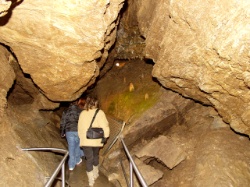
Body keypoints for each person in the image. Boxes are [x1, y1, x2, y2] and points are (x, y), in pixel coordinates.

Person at [78, 96, 110, 187]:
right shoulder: (100, 113)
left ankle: (90, 180)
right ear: (96, 103)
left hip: (85, 140)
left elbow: (79, 128)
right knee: (95, 156)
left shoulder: (82, 113)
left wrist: (81, 139)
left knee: (89, 159)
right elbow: (105, 126)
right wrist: (106, 136)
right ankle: (95, 173)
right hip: (96, 140)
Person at [60, 98, 85, 171]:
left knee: (71, 147)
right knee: (77, 147)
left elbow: (63, 122)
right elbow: (83, 122)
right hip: (78, 131)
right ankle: (77, 160)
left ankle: (71, 165)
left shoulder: (66, 111)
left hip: (69, 131)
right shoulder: (80, 111)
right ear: (77, 102)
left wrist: (62, 132)